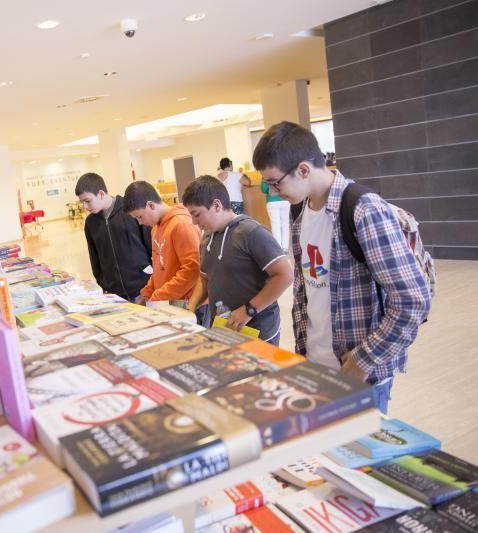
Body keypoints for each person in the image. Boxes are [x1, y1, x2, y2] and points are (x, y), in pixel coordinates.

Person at [252, 121, 431, 413]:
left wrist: (364, 360)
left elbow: (413, 300)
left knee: (359, 456)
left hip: (361, 373)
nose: (271, 191)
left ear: (304, 170)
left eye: (275, 182)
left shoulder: (363, 209)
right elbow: (308, 290)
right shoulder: (300, 210)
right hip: (316, 367)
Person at [184, 176, 292, 345]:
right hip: (225, 328)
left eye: (197, 215)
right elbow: (205, 279)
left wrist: (249, 310)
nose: (194, 222)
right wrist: (191, 308)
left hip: (257, 328)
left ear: (217, 205)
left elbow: (285, 275)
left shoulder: (251, 232)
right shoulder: (206, 238)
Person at [75, 173, 152, 301]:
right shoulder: (90, 223)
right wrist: (102, 282)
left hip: (143, 287)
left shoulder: (130, 211)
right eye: (82, 202)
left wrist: (150, 277)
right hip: (114, 294)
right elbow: (94, 256)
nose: (85, 207)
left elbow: (151, 245)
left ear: (101, 194)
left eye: (87, 201)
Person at [122, 180, 200, 306]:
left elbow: (192, 270)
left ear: (151, 205)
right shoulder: (155, 229)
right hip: (168, 300)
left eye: (139, 217)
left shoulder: (181, 224)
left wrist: (158, 296)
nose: (140, 223)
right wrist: (147, 292)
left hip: (189, 303)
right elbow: (159, 269)